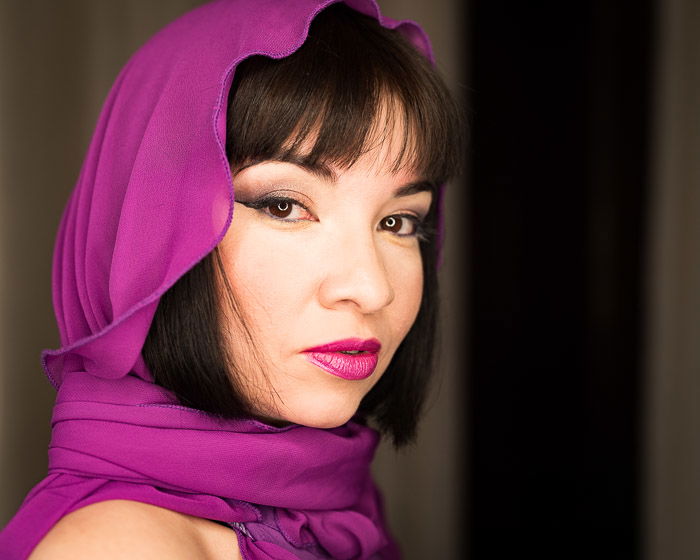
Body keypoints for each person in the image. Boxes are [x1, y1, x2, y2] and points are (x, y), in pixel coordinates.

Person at [0, 0, 462, 558]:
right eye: (285, 206)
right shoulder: (123, 545)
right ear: (153, 234)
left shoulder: (334, 503)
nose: (371, 288)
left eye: (397, 221)